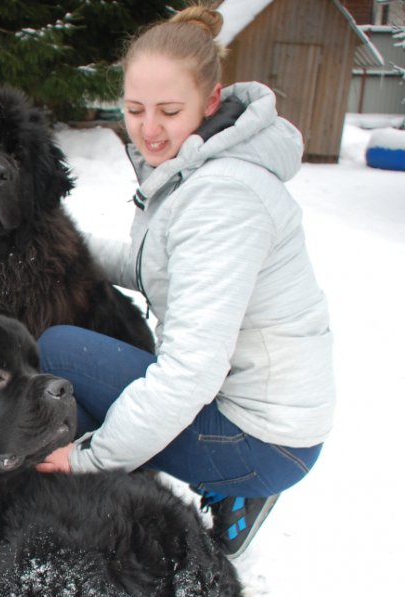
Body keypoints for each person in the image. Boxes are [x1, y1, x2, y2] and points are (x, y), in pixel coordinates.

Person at [36, 4, 335, 559]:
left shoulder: (223, 197)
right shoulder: (198, 170)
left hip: (264, 440)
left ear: (211, 102)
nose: (149, 129)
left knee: (59, 351)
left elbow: (189, 373)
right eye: (134, 109)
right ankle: (222, 481)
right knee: (81, 353)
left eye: (169, 111)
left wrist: (88, 458)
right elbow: (159, 266)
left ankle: (216, 489)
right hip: (262, 413)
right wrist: (56, 246)